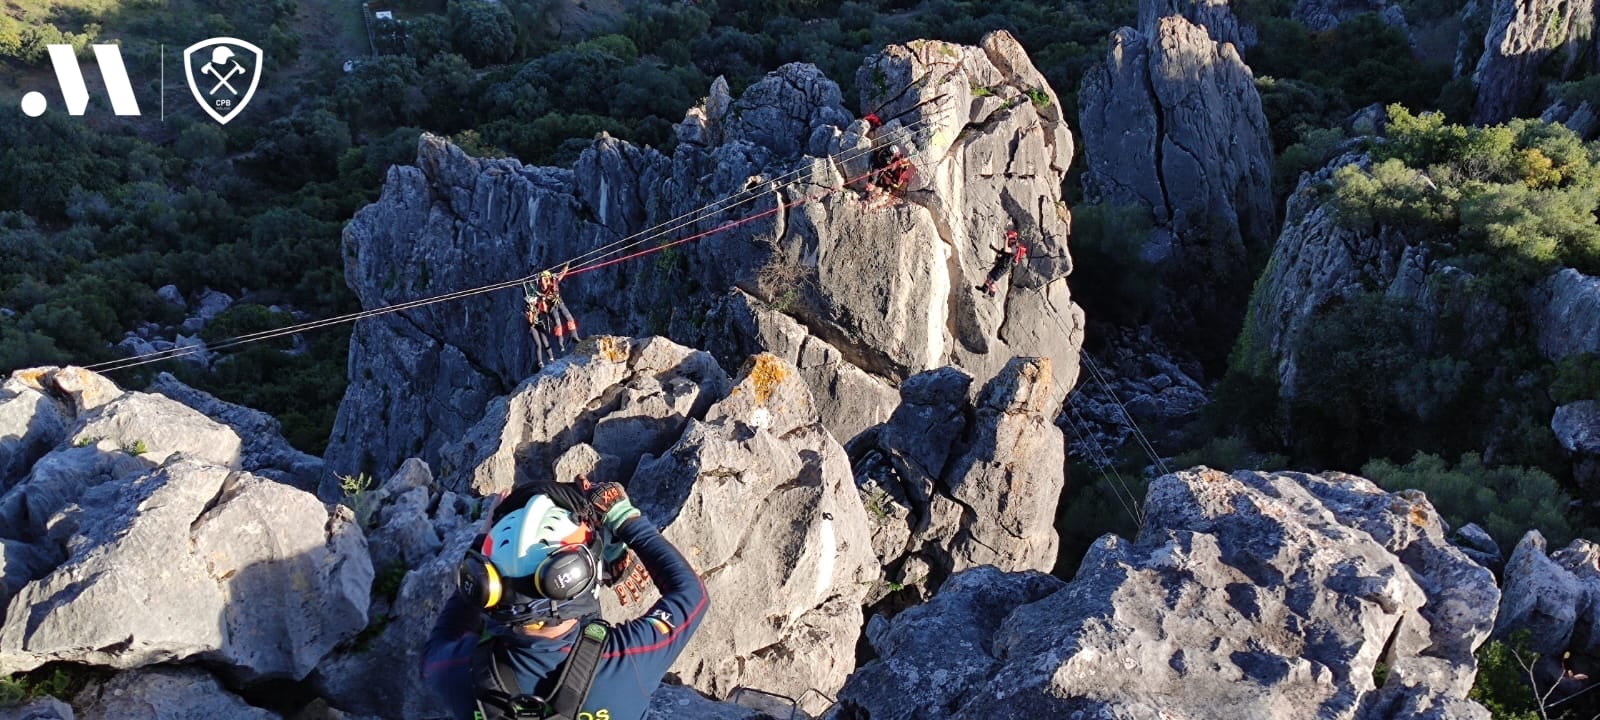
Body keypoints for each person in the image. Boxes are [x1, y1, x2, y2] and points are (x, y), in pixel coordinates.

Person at [422, 478, 707, 720]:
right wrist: (623, 519)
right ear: (576, 575)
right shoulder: (628, 659)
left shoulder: (452, 671)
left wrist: (482, 542)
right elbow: (692, 595)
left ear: (488, 585)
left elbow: (446, 633)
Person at [536, 268, 580, 351]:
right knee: (558, 325)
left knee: (570, 319)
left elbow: (562, 274)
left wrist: (566, 266)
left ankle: (574, 337)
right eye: (544, 279)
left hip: (559, 303)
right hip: (552, 308)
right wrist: (542, 277)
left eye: (546, 279)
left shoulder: (554, 281)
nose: (545, 281)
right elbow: (544, 284)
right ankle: (561, 344)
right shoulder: (541, 287)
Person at [979, 229, 1028, 296]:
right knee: (989, 276)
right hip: (1001, 264)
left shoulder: (1014, 248)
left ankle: (991, 295)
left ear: (1012, 239)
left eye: (1009, 238)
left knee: (992, 278)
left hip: (1004, 267)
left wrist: (1006, 239)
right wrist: (993, 248)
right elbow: (1001, 252)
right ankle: (984, 288)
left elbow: (1006, 250)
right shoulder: (1010, 245)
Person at [524, 293, 556, 372]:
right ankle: (540, 362)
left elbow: (544, 307)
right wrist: (531, 311)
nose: (535, 302)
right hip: (533, 327)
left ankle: (551, 358)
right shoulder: (527, 310)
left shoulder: (537, 305)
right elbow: (531, 321)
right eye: (533, 301)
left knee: (546, 342)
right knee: (539, 345)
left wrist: (542, 300)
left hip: (539, 325)